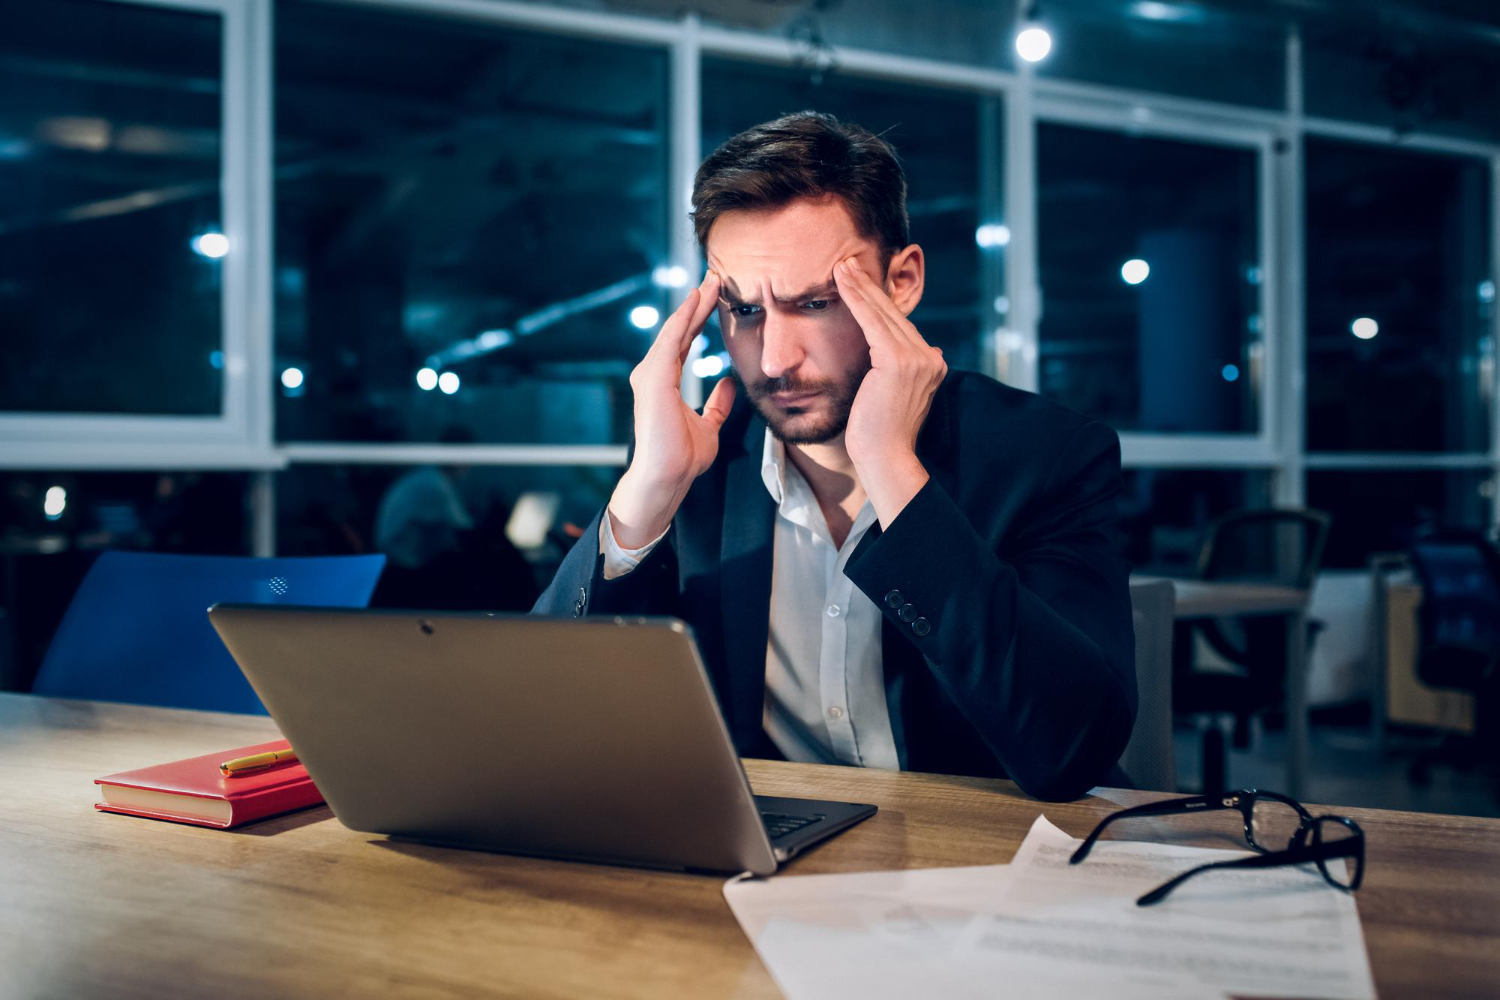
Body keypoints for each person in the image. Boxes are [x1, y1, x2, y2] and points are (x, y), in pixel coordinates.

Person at [534, 112, 1135, 801]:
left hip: (988, 867)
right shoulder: (695, 459)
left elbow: (1072, 751)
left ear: (902, 282)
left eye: (815, 303)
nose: (775, 359)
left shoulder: (1043, 455)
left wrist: (894, 472)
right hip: (766, 868)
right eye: (744, 311)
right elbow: (550, 724)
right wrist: (644, 498)